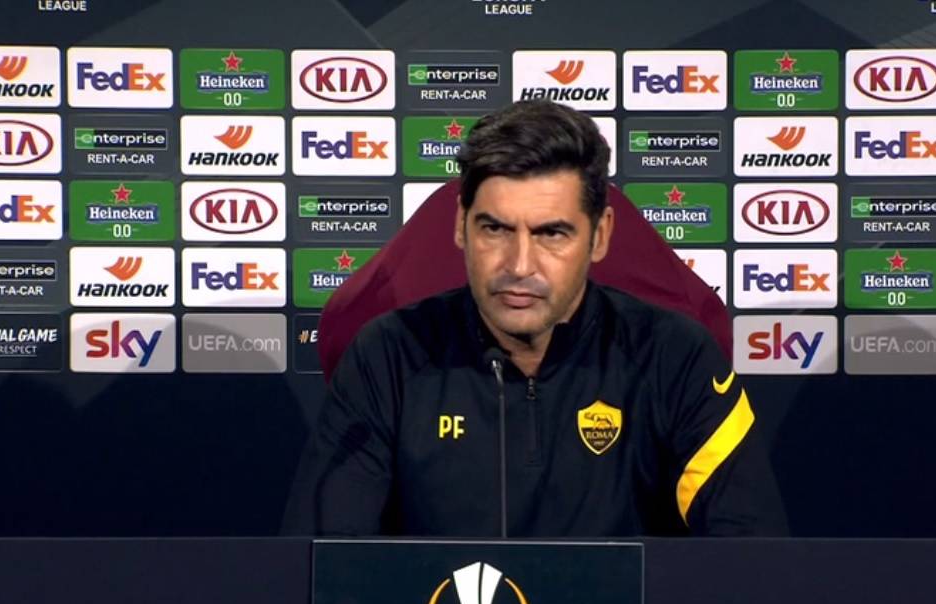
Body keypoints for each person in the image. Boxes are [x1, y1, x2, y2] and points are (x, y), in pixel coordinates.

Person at [282, 99, 786, 537]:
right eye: (495, 229)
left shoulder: (675, 355)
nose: (520, 265)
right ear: (460, 226)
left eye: (551, 234)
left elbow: (747, 560)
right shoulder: (388, 355)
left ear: (600, 235)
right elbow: (322, 565)